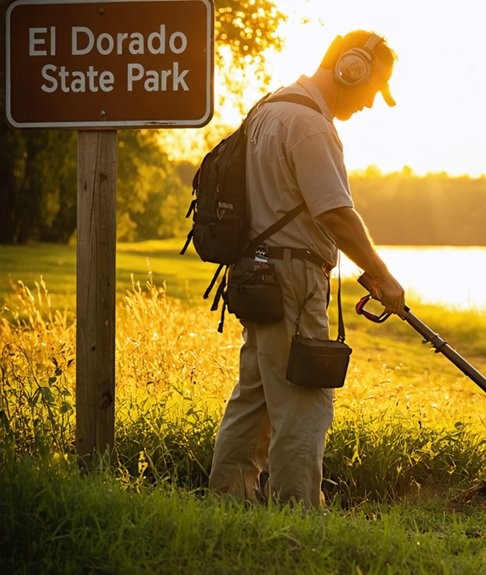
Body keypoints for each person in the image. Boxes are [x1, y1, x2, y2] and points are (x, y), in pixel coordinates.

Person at [208, 30, 406, 509]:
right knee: (304, 400)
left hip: (256, 273)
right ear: (349, 68)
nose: (369, 104)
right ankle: (297, 515)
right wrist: (382, 274)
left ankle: (227, 503)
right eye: (371, 89)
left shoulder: (268, 111)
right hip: (293, 277)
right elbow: (335, 214)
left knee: (254, 397)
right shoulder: (310, 126)